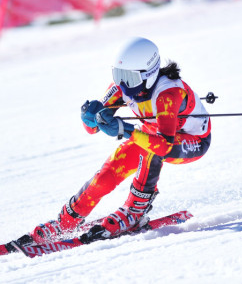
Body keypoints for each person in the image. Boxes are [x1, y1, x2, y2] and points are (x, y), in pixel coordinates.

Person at [29, 37, 212, 243]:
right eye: (118, 75)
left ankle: (135, 211)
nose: (123, 85)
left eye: (129, 78)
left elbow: (164, 146)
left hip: (191, 141)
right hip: (150, 136)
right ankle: (67, 221)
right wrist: (90, 117)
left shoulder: (168, 95)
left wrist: (125, 130)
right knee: (109, 172)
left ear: (149, 75)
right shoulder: (121, 88)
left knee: (151, 150)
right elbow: (92, 128)